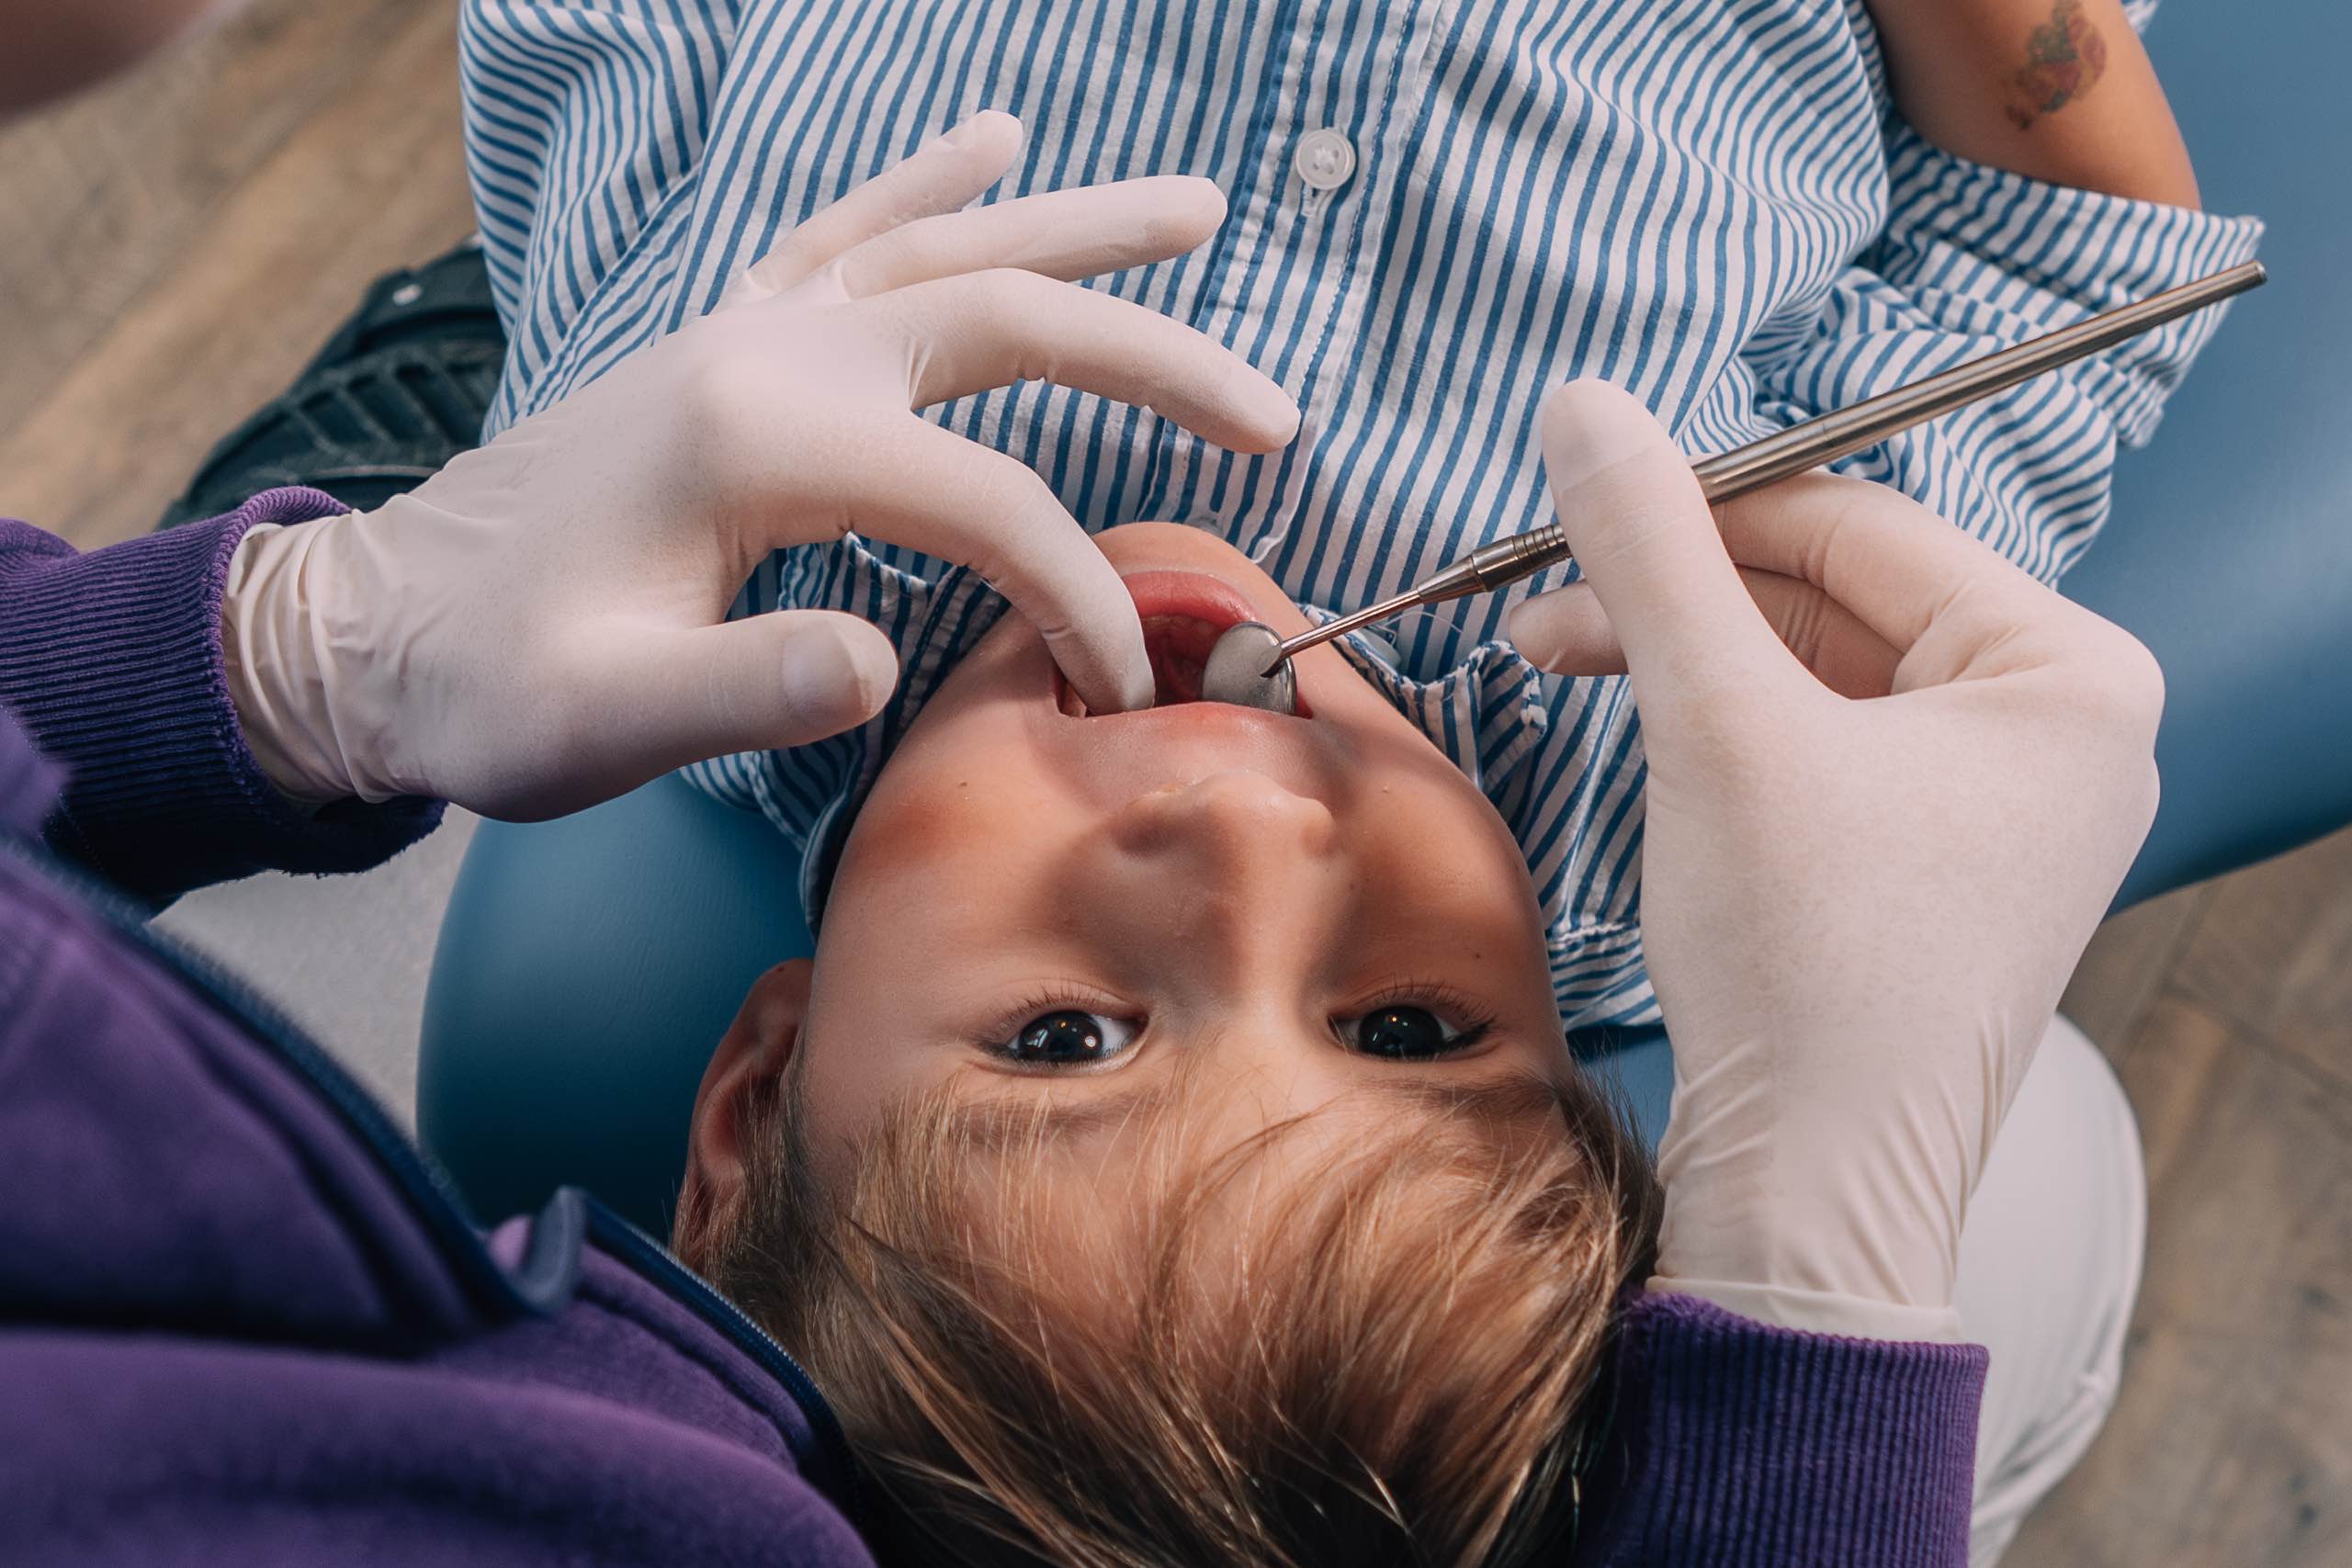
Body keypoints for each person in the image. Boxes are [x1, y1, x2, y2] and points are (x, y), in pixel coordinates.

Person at [0, 5, 2161, 1565]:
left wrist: (292, 647)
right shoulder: (1698, 729)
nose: (1235, 840)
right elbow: (2069, 256)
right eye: (1410, 1027)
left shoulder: (688, 467)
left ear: (750, 1110)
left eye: (1060, 1039)